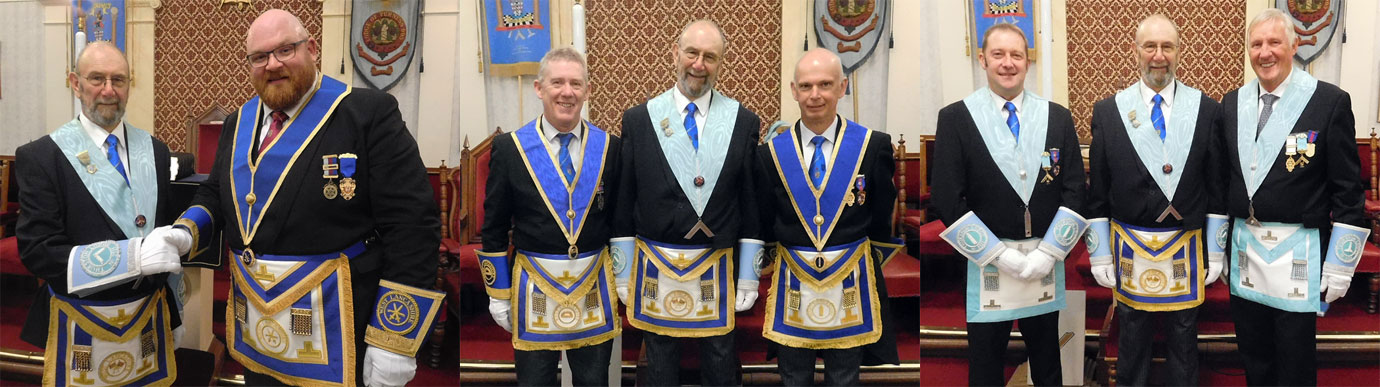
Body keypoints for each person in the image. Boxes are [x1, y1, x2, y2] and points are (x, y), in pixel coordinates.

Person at [157, 9, 443, 386]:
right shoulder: (237, 123)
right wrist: (186, 232)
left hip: (340, 324)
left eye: (285, 50)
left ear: (311, 48)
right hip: (258, 322)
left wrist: (394, 339)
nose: (272, 65)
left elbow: (412, 225)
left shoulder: (366, 113)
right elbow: (215, 192)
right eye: (260, 57)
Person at [16, 41, 184, 387]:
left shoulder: (154, 150)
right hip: (81, 324)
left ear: (128, 85)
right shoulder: (42, 156)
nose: (109, 91)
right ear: (75, 83)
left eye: (118, 80)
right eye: (97, 79)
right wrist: (132, 257)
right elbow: (38, 252)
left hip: (148, 321)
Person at [931, 23, 1087, 387]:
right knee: (986, 366)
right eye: (998, 54)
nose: (1008, 63)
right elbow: (947, 198)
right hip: (989, 264)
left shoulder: (1057, 116)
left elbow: (1075, 190)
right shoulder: (956, 118)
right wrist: (1000, 255)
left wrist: (1048, 254)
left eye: (1016, 55)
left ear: (1027, 62)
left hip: (1044, 261)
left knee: (1048, 363)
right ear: (982, 59)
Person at [609, 19, 762, 386]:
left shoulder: (742, 121)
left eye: (710, 57)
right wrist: (622, 271)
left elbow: (751, 201)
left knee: (722, 363)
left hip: (717, 265)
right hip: (656, 265)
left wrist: (749, 275)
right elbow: (624, 199)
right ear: (675, 53)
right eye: (692, 52)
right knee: (659, 364)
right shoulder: (640, 119)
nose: (699, 64)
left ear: (720, 63)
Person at [1221, 9, 1367, 385]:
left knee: (1294, 361)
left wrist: (1340, 264)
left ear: (1294, 45)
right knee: (1253, 355)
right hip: (1245, 250)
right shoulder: (1231, 103)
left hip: (1298, 254)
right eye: (1256, 44)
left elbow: (1348, 189)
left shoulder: (1328, 101)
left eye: (1274, 42)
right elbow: (1222, 181)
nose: (1264, 52)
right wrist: (1218, 247)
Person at [1083, 14, 1226, 386]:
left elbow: (1217, 188)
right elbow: (1097, 191)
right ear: (1135, 52)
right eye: (1150, 46)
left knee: (1184, 342)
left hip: (1185, 244)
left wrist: (1215, 249)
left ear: (1179, 52)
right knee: (1131, 342)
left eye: (1167, 46)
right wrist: (1099, 252)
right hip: (1131, 244)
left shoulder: (1206, 110)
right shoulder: (1109, 111)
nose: (1159, 55)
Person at [755, 47, 902, 386]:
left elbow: (882, 215)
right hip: (793, 285)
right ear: (793, 91)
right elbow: (765, 219)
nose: (815, 95)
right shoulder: (769, 155)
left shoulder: (872, 145)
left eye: (825, 84)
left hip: (850, 281)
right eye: (805, 86)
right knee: (793, 377)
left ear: (842, 87)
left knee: (845, 377)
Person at [478, 46, 623, 387]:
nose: (567, 92)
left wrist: (625, 280)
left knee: (593, 381)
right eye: (557, 82)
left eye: (576, 83)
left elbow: (620, 223)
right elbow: (494, 227)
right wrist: (498, 295)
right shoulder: (511, 149)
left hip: (592, 286)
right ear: (539, 89)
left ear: (587, 90)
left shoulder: (609, 148)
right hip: (534, 289)